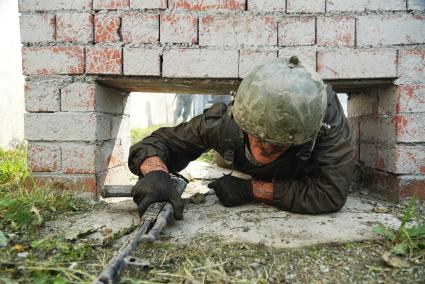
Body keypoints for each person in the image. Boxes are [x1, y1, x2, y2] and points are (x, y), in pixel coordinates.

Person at [128, 57, 356, 220]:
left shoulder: (324, 120)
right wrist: (156, 172)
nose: (266, 149)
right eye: (258, 138)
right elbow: (156, 144)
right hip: (232, 156)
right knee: (223, 160)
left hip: (298, 168)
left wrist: (254, 190)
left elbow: (329, 192)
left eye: (278, 144)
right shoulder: (224, 124)